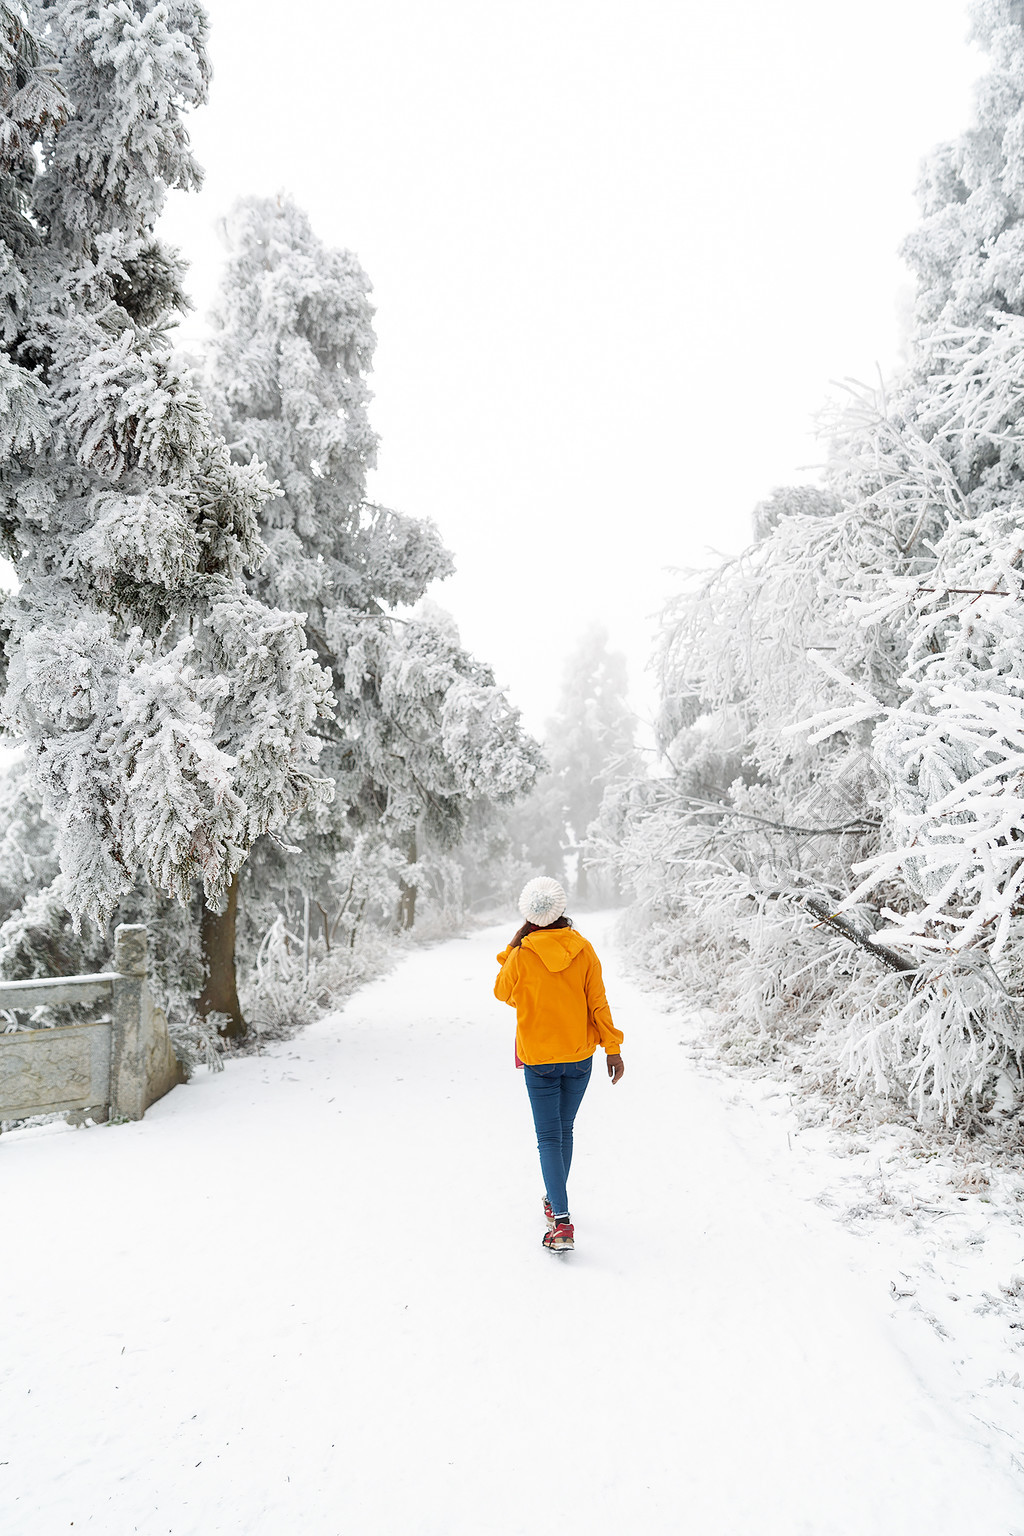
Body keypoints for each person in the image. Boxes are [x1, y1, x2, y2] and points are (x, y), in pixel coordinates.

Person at [494, 876, 624, 1253]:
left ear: (529, 916)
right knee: (564, 1130)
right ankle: (555, 1202)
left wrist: (514, 948)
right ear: (561, 911)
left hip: (540, 1060)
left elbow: (502, 991)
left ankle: (562, 1222)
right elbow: (598, 1002)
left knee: (549, 1137)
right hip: (580, 1057)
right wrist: (612, 1048)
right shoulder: (582, 949)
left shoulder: (522, 954)